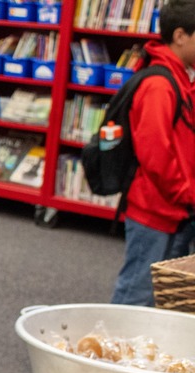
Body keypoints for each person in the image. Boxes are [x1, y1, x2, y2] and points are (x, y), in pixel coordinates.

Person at [110, 0, 195, 306]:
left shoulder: (182, 81)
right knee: (136, 297)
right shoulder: (160, 85)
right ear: (181, 35)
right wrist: (187, 194)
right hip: (156, 211)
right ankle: (112, 353)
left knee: (161, 300)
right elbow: (156, 155)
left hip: (176, 210)